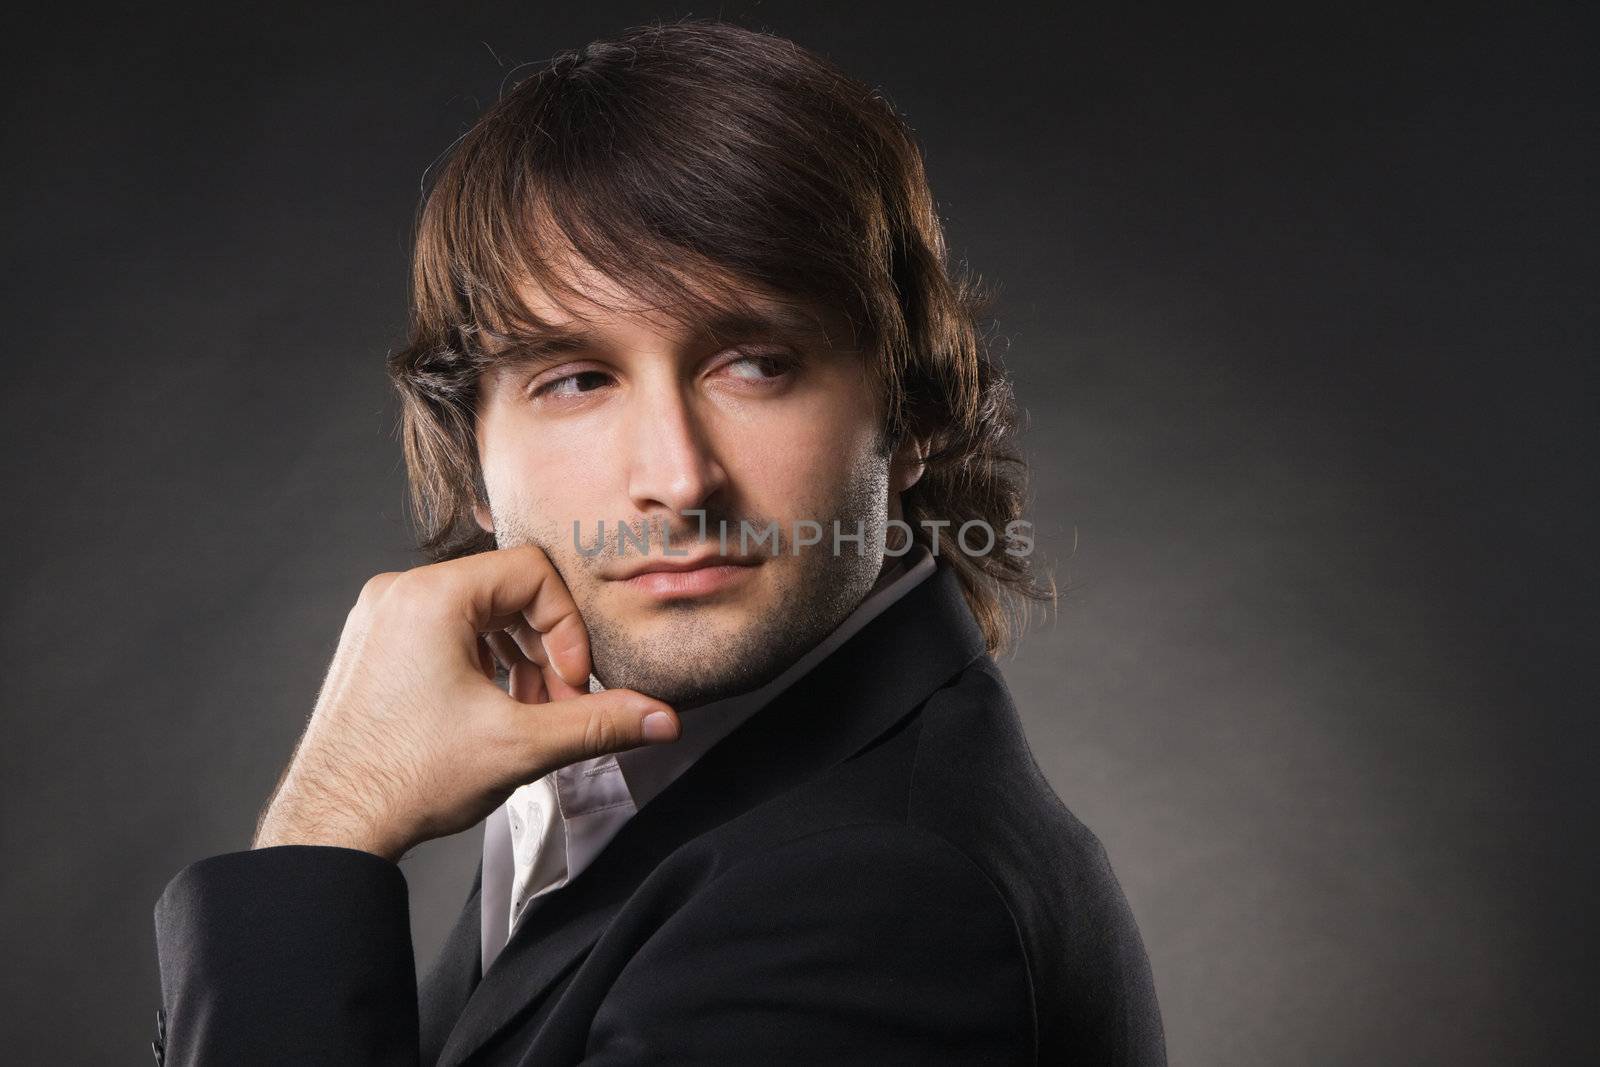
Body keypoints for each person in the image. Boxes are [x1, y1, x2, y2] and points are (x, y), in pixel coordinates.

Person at [151, 18, 1165, 1066]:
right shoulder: (607, 795)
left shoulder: (878, 897)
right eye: (578, 379)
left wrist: (332, 818)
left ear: (908, 414)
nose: (678, 478)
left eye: (756, 363)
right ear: (471, 460)